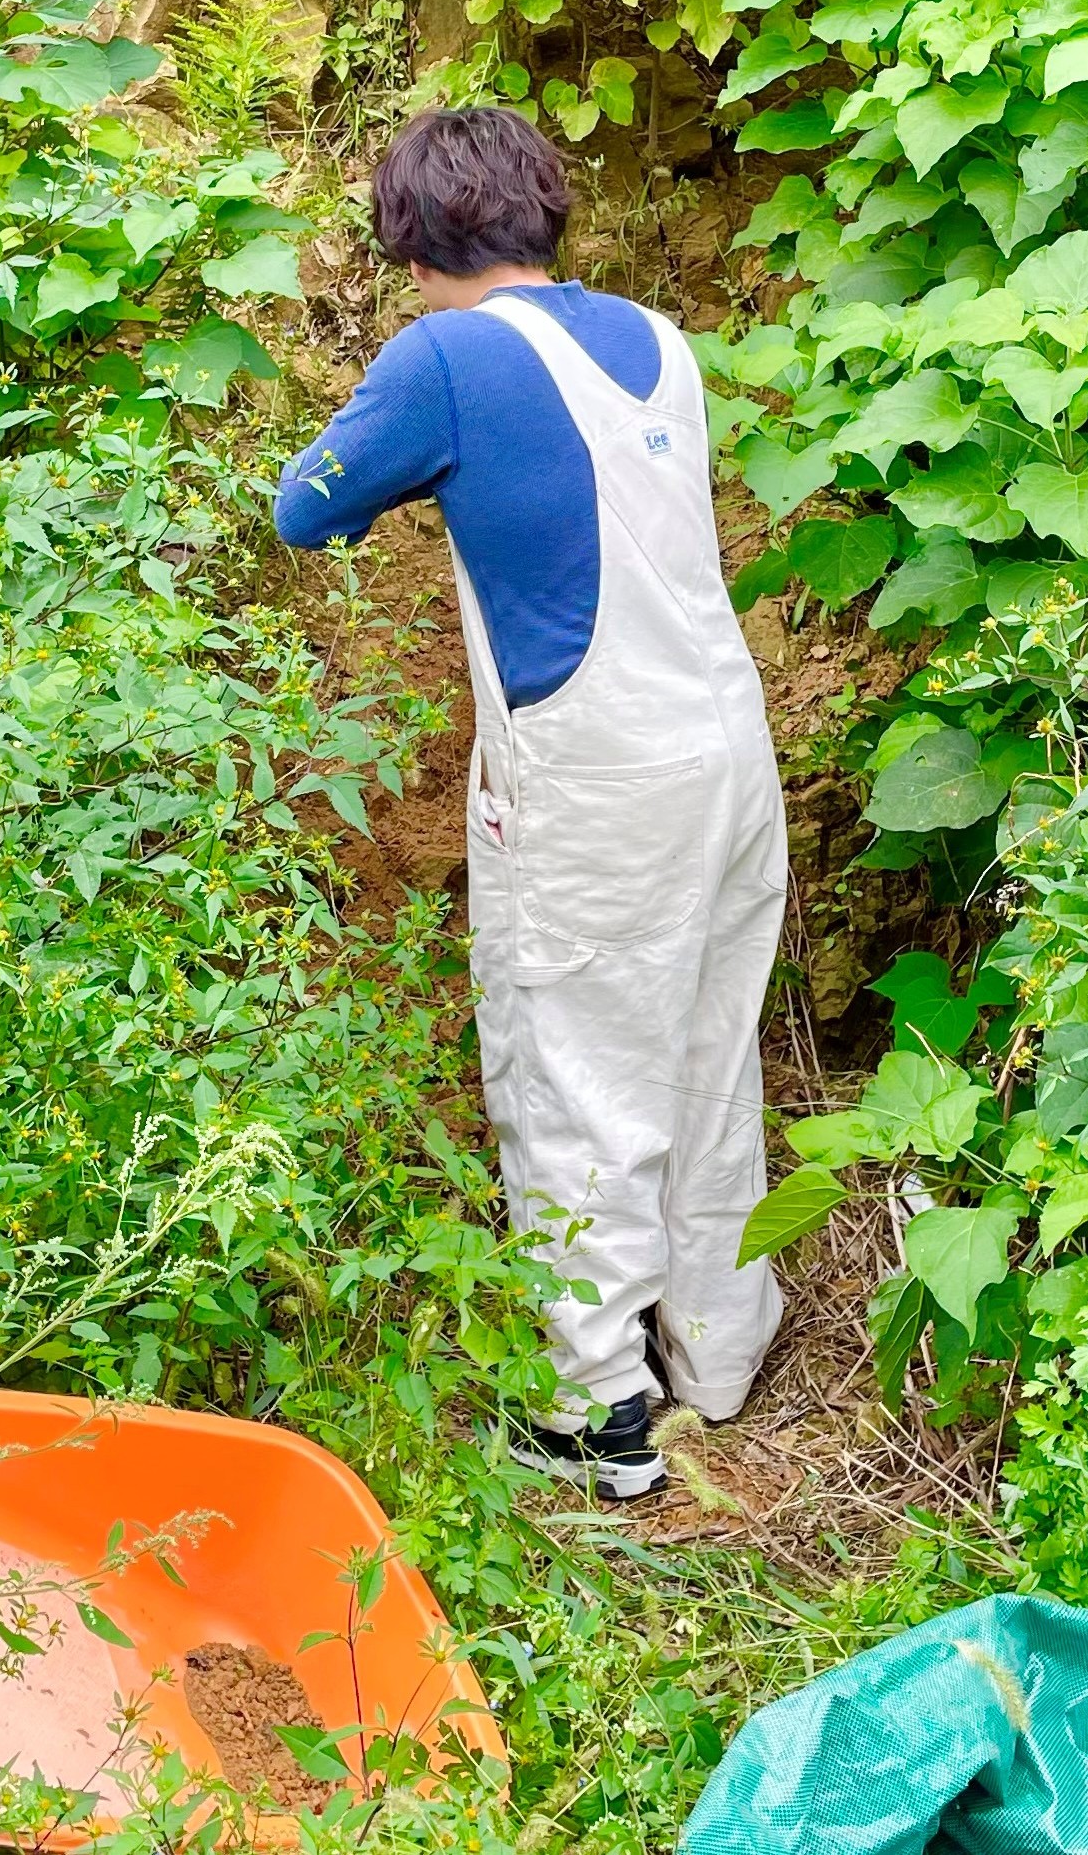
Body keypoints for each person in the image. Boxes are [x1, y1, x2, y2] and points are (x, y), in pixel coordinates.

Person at [273, 107, 789, 1499]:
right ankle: (722, 1349)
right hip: (727, 753)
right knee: (701, 1049)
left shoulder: (442, 353)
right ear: (546, 215)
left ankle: (596, 1417)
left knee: (576, 1078)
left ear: (415, 242)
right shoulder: (657, 341)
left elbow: (300, 510)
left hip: (598, 776)